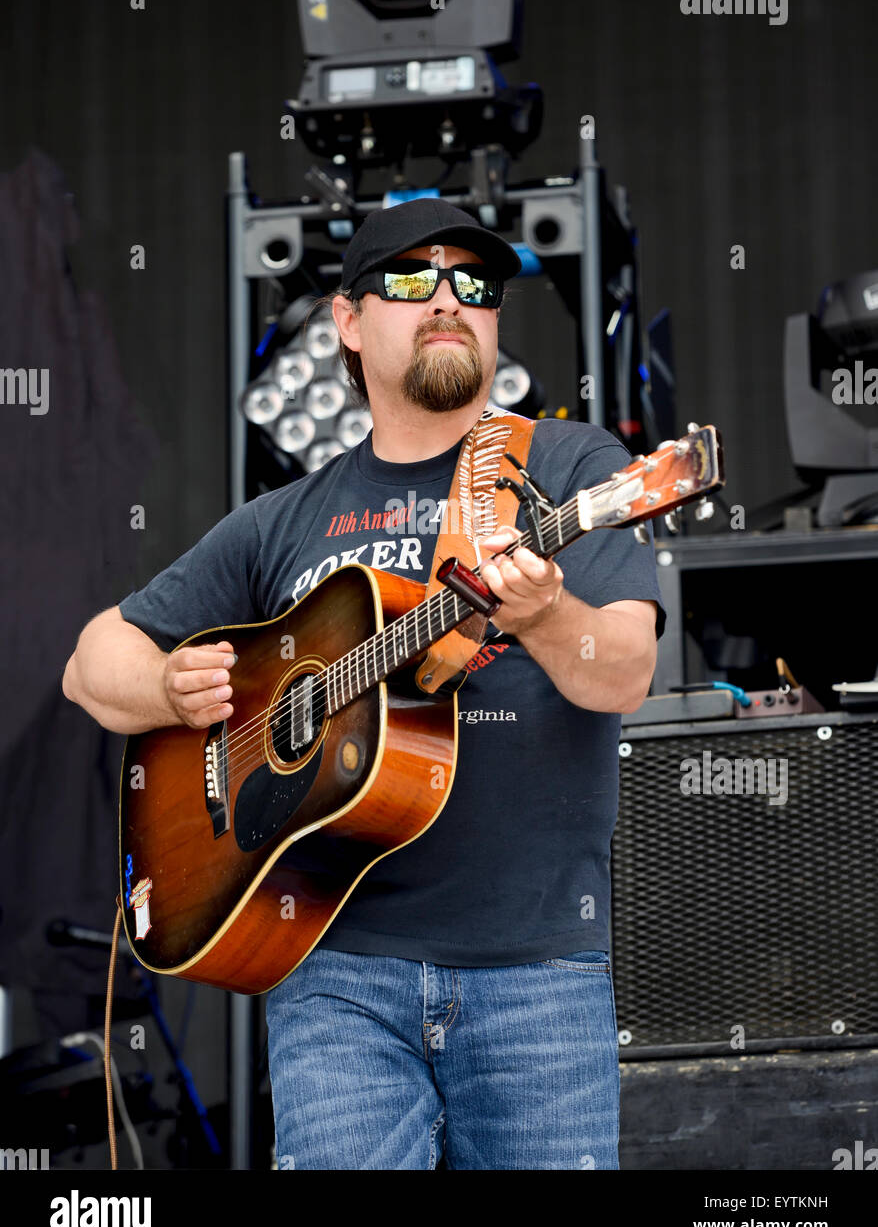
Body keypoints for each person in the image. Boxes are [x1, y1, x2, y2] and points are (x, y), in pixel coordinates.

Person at [63, 198, 666, 1170]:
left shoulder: (561, 465)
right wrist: (173, 688)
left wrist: (545, 613)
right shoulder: (282, 519)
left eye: (472, 284)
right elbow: (91, 662)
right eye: (407, 278)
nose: (445, 300)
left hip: (536, 976)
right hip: (331, 975)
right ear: (345, 321)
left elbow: (623, 672)